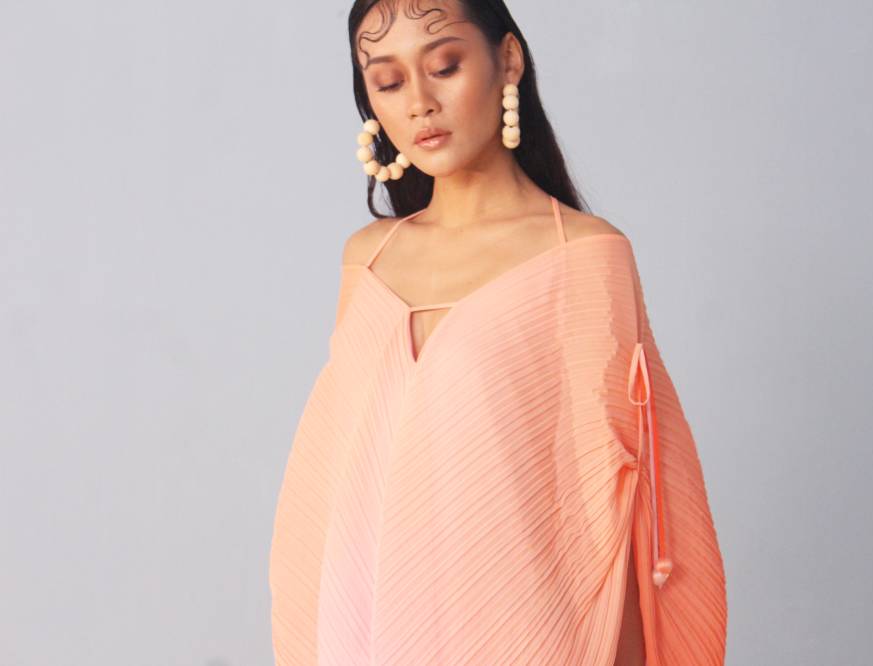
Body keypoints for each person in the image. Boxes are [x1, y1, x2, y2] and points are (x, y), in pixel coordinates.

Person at [269, 1, 727, 664]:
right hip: (366, 631)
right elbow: (341, 482)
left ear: (508, 60)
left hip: (527, 631)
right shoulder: (366, 261)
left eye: (444, 67)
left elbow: (622, 509)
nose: (420, 104)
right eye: (389, 82)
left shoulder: (583, 256)